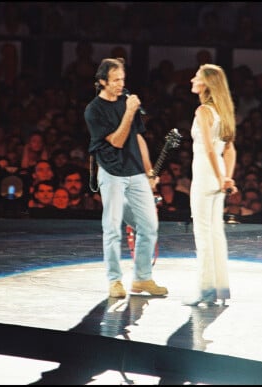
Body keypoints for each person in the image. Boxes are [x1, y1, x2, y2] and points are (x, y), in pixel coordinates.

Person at [84, 57, 168, 299]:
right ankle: (114, 281)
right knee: (112, 228)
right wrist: (130, 111)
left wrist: (150, 171)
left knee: (149, 225)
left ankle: (142, 279)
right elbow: (118, 140)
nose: (121, 84)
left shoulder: (126, 102)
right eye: (115, 80)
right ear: (102, 82)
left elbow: (138, 138)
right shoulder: (94, 110)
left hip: (136, 173)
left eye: (123, 79)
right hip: (111, 174)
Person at [186, 63, 237, 306]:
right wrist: (227, 178)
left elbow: (208, 148)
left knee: (203, 233)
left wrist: (219, 178)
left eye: (196, 77)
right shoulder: (224, 112)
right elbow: (230, 150)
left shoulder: (203, 111)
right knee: (216, 232)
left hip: (207, 175)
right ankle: (220, 288)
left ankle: (205, 289)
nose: (192, 80)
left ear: (206, 83)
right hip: (217, 176)